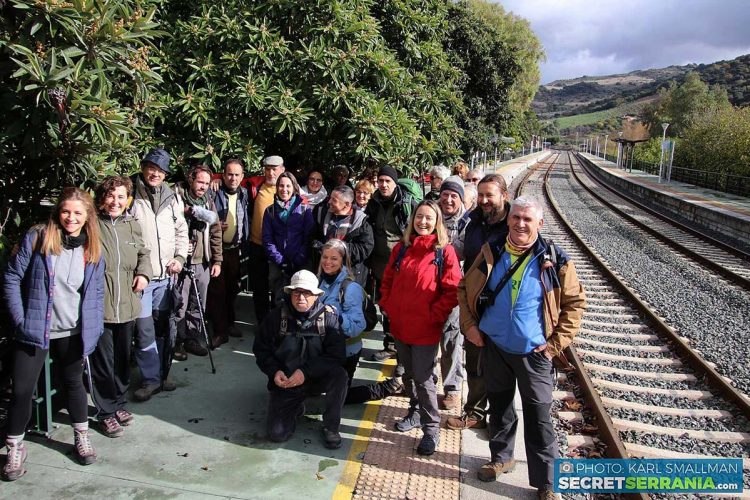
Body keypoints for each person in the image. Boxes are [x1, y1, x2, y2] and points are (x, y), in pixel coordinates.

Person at [457, 196, 585, 499]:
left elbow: (575, 304)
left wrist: (555, 345)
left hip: (534, 353)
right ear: (509, 219)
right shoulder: (493, 250)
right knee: (500, 407)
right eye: (516, 218)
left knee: (539, 416)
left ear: (540, 223)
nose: (521, 224)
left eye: (528, 219)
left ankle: (546, 482)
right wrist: (470, 327)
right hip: (495, 346)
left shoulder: (555, 258)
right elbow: (465, 288)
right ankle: (501, 458)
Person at [2, 188, 104, 480]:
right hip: (35, 329)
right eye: (66, 211)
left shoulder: (91, 248)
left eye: (78, 213)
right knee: (21, 391)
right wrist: (21, 320)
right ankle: (14, 448)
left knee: (74, 384)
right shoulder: (38, 237)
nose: (71, 218)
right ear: (58, 212)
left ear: (87, 217)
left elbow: (95, 292)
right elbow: (11, 277)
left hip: (72, 332)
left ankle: (81, 437)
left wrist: (92, 329)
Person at [379, 200, 462, 456]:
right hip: (401, 326)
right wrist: (387, 306)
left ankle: (431, 430)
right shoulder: (402, 249)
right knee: (407, 374)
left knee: (424, 380)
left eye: (428, 218)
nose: (422, 222)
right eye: (419, 217)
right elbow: (388, 280)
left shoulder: (444, 252)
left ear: (436, 222)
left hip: (425, 328)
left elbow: (451, 290)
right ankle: (414, 411)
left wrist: (433, 316)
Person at [253, 270, 348, 449]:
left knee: (340, 375)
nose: (301, 297)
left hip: (317, 378)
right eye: (297, 292)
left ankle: (331, 427)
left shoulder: (328, 318)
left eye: (307, 293)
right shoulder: (275, 318)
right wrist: (275, 371)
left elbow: (337, 355)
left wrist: (306, 372)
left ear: (316, 296)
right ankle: (296, 407)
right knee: (277, 434)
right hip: (287, 383)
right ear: (290, 293)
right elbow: (261, 350)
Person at [448, 173, 511, 431]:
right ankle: (474, 412)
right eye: (481, 195)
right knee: (474, 360)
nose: (484, 200)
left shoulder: (514, 223)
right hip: (475, 303)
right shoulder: (473, 221)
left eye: (490, 195)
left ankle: (499, 420)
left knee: (503, 367)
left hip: (504, 306)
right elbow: (459, 250)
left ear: (504, 196)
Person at [90, 176, 150, 438]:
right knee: (103, 361)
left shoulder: (131, 224)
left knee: (124, 358)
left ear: (128, 200)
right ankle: (105, 412)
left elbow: (143, 253)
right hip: (100, 304)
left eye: (121, 197)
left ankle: (119, 402)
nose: (115, 201)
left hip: (127, 302)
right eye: (111, 196)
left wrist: (144, 274)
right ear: (102, 198)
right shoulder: (92, 225)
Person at [128, 147, 188, 401]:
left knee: (164, 328)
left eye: (160, 170)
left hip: (166, 277)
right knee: (143, 330)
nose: (155, 173)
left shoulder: (172, 197)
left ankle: (162, 373)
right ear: (143, 167)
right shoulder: (130, 193)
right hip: (141, 278)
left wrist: (179, 258)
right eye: (152, 167)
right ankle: (151, 379)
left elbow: (181, 231)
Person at [365, 165, 418, 361]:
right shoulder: (374, 202)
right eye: (381, 181)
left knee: (402, 308)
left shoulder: (407, 203)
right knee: (385, 305)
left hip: (402, 266)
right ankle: (390, 345)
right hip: (379, 266)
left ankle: (403, 346)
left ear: (395, 183)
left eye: (388, 181)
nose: (384, 185)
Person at [172, 165, 223, 358]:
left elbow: (216, 231)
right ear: (191, 179)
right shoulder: (176, 197)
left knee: (198, 303)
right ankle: (177, 342)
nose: (203, 186)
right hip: (181, 261)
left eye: (207, 183)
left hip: (203, 261)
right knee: (179, 304)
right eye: (200, 181)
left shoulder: (208, 202)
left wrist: (217, 260)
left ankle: (192, 339)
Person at [435, 177, 470, 411]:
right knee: (424, 337)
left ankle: (452, 389)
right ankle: (424, 382)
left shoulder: (468, 222)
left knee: (450, 339)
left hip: (454, 288)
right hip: (427, 286)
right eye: (445, 194)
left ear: (460, 199)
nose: (448, 199)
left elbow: (460, 252)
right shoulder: (430, 215)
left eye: (453, 196)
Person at [207, 158, 250, 345]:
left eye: (236, 175)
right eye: (229, 174)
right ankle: (220, 331)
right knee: (218, 291)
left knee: (233, 289)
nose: (233, 178)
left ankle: (229, 323)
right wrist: (214, 225)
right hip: (217, 250)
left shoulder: (246, 194)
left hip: (236, 249)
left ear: (242, 177)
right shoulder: (213, 192)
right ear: (223, 175)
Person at [262, 172, 314, 302]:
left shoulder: (304, 209)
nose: (284, 189)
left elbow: (309, 236)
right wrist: (280, 260)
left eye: (288, 186)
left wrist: (299, 258)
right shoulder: (270, 211)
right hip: (278, 263)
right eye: (281, 185)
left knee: (300, 299)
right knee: (279, 299)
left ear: (294, 188)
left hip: (300, 261)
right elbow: (267, 239)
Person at [312, 185, 373, 287]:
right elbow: (312, 238)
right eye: (330, 198)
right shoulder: (321, 214)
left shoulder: (362, 222)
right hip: (324, 275)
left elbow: (364, 249)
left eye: (334, 200)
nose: (329, 202)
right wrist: (321, 248)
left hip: (350, 277)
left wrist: (338, 248)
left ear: (347, 204)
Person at [248, 155, 285, 324]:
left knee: (278, 287)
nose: (271, 172)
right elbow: (232, 176)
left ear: (282, 170)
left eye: (274, 169)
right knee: (259, 287)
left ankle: (276, 324)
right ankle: (262, 323)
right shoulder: (256, 185)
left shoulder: (286, 188)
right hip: (257, 245)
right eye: (268, 169)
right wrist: (216, 179)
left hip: (278, 248)